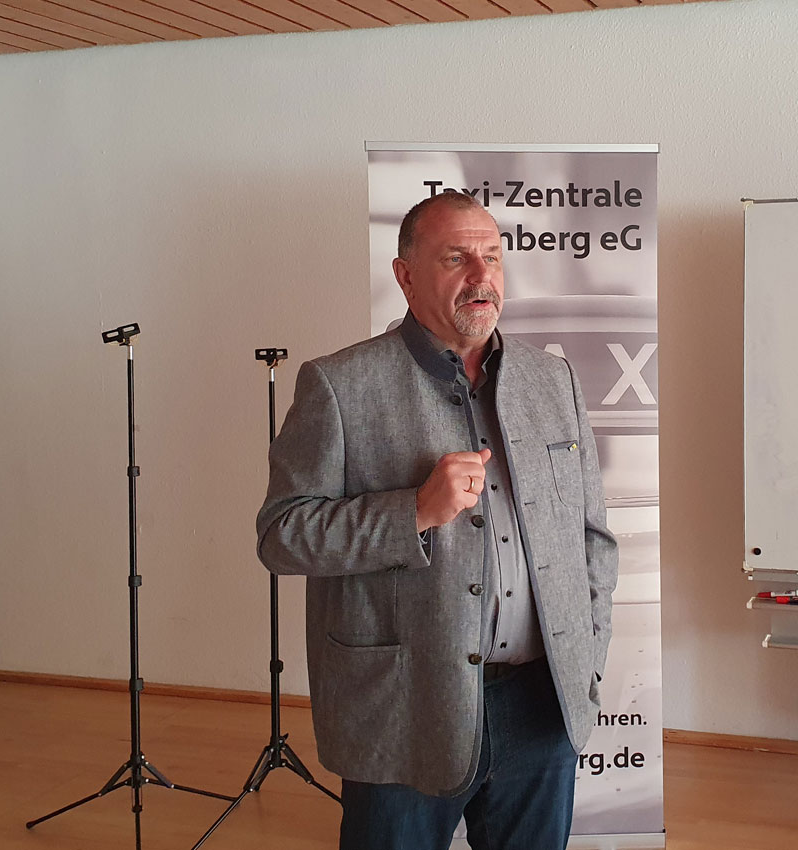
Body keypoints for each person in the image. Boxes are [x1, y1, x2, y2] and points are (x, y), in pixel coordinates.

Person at [256, 191, 618, 850]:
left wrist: (585, 660)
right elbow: (283, 535)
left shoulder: (552, 381)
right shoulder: (339, 386)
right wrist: (415, 511)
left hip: (543, 704)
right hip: (405, 708)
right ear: (405, 276)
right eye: (456, 258)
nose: (482, 277)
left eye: (492, 257)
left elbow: (591, 537)